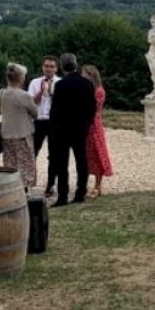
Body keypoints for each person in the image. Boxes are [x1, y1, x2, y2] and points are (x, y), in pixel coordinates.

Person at [47, 53, 96, 207]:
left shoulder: (60, 85)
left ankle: (62, 195)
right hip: (80, 128)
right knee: (81, 160)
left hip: (62, 129)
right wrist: (87, 123)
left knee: (62, 163)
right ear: (76, 64)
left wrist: (53, 127)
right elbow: (92, 108)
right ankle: (80, 192)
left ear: (61, 66)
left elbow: (55, 110)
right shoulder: (87, 84)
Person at [0, 62, 39, 187]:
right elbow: (35, 113)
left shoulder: (1, 93)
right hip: (22, 133)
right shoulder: (24, 95)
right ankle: (26, 189)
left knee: (10, 164)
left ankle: (11, 187)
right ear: (21, 78)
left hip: (6, 134)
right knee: (26, 165)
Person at [81, 64, 114, 197]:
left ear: (91, 75)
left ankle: (98, 185)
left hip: (93, 124)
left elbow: (94, 108)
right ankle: (86, 183)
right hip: (85, 124)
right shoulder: (86, 89)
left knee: (97, 153)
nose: (82, 76)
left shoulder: (98, 91)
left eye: (85, 74)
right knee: (86, 155)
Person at [28, 56, 60, 196]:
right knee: (32, 151)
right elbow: (31, 103)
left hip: (54, 121)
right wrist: (41, 91)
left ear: (56, 68)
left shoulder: (61, 82)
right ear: (42, 67)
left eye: (52, 66)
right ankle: (28, 181)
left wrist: (52, 93)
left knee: (53, 155)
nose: (49, 69)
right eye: (46, 66)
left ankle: (50, 185)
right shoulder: (35, 82)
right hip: (39, 119)